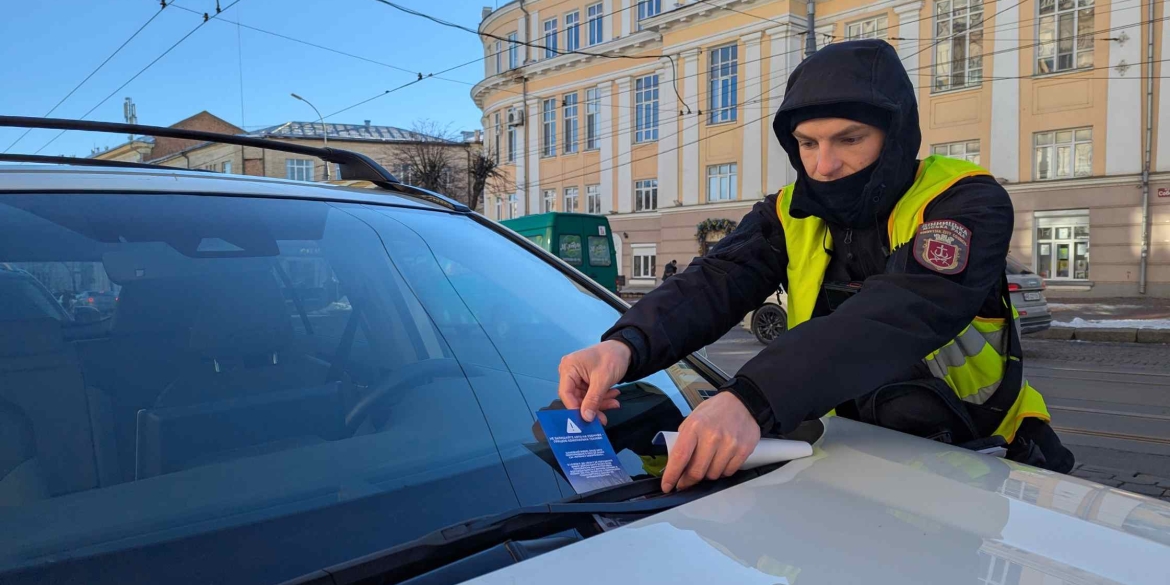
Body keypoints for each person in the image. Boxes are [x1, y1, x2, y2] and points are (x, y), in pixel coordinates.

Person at [556, 40, 1073, 494]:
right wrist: (623, 345)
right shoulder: (787, 211)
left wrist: (752, 399)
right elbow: (715, 281)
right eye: (807, 143)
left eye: (849, 140)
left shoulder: (963, 200)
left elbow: (901, 310)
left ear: (894, 136)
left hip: (981, 461)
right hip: (848, 463)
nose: (824, 165)